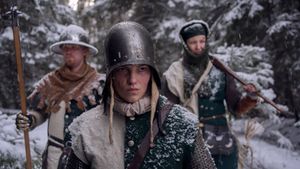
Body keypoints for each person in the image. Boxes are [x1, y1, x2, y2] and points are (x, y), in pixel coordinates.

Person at [64, 21, 216, 169]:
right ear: (112, 75)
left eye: (141, 69)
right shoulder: (86, 129)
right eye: (124, 69)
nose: (133, 80)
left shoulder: (182, 123)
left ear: (151, 73)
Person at [162, 20, 259, 169]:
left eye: (202, 41)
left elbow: (236, 107)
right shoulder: (176, 73)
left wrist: (250, 98)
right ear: (185, 44)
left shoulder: (221, 70)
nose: (199, 46)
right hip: (189, 137)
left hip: (221, 140)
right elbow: (167, 111)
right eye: (193, 42)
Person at [15, 24, 105, 169]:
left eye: (74, 47)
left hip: (86, 157)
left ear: (85, 51)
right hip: (54, 157)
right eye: (66, 47)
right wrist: (30, 119)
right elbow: (39, 111)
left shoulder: (99, 84)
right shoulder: (50, 81)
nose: (69, 51)